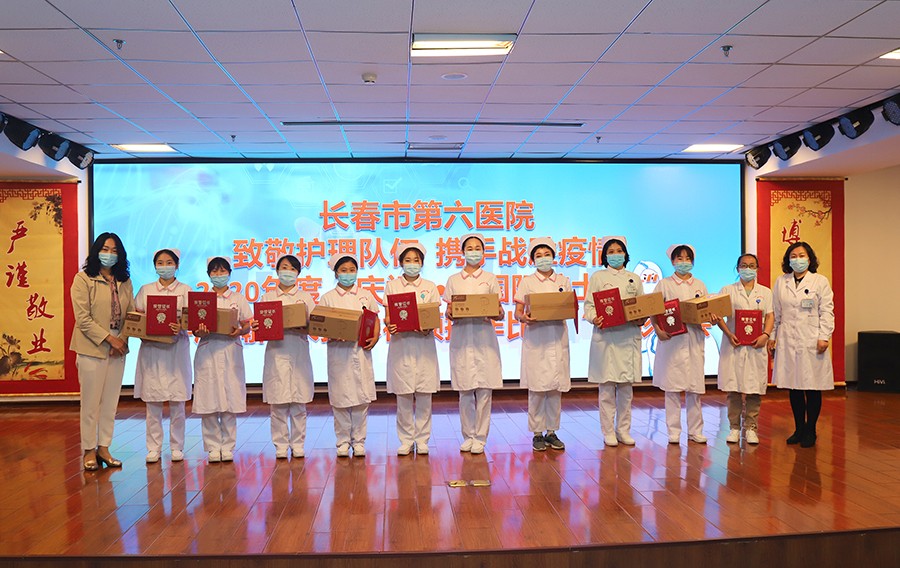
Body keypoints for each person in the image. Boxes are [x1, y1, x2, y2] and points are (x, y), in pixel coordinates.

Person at [70, 232, 134, 471]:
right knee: (90, 403)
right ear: (96, 251)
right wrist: (110, 340)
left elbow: (131, 314)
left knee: (110, 402)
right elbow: (83, 319)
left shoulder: (124, 281)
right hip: (92, 347)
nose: (109, 254)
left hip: (118, 346)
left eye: (115, 250)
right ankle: (88, 450)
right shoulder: (83, 279)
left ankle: (104, 448)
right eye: (105, 249)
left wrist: (122, 340)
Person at [768, 242, 834, 448]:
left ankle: (810, 430)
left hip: (812, 340)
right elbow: (776, 313)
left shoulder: (820, 281)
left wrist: (824, 336)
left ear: (810, 258)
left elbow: (827, 311)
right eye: (793, 256)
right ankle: (798, 429)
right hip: (788, 339)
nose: (798, 259)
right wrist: (772, 336)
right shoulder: (782, 282)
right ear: (788, 260)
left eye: (802, 255)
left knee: (812, 386)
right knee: (794, 386)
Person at [651, 244, 718, 444]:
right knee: (672, 389)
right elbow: (653, 310)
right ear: (672, 261)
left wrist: (712, 317)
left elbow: (706, 310)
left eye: (687, 258)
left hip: (694, 339)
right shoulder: (663, 284)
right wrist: (657, 330)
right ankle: (673, 431)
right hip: (672, 341)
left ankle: (695, 430)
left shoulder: (700, 285)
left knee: (694, 389)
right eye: (679, 258)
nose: (683, 262)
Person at [443, 232, 503, 455]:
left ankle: (481, 437)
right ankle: (468, 435)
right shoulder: (454, 280)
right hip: (462, 338)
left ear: (484, 252)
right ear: (462, 252)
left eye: (478, 248)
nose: (474, 252)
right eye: (470, 248)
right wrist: (450, 313)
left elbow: (499, 311)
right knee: (465, 390)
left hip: (484, 337)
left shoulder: (490, 278)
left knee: (485, 390)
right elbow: (448, 311)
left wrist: (496, 313)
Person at [584, 236, 644, 447]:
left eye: (619, 251)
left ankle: (624, 430)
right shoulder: (598, 277)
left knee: (626, 390)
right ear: (605, 256)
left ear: (625, 255)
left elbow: (642, 306)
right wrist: (594, 318)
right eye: (611, 251)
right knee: (607, 389)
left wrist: (641, 317)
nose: (616, 254)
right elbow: (589, 306)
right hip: (607, 338)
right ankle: (608, 431)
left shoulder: (634, 279)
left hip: (628, 336)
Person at [192, 256, 253, 463]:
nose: (219, 275)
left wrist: (240, 330)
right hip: (208, 350)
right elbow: (194, 329)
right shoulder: (201, 300)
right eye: (215, 271)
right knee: (208, 401)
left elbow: (247, 325)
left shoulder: (239, 298)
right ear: (209, 275)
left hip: (230, 350)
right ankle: (212, 447)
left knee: (229, 400)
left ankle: (227, 446)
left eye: (222, 271)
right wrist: (199, 331)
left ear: (229, 273)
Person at [134, 248, 192, 463]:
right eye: (160, 262)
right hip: (153, 351)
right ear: (154, 266)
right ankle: (153, 447)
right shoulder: (146, 290)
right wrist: (142, 328)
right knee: (153, 403)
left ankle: (177, 446)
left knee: (177, 403)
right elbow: (136, 317)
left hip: (176, 351)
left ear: (177, 265)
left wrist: (181, 325)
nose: (164, 266)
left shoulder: (185, 290)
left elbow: (192, 320)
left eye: (169, 262)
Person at [319, 252, 380, 458]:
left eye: (352, 270)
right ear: (336, 273)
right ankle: (343, 441)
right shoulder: (328, 297)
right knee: (340, 400)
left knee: (361, 399)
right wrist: (332, 333)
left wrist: (376, 337)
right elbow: (320, 325)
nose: (348, 274)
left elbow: (375, 318)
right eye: (343, 270)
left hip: (360, 352)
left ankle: (359, 441)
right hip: (339, 353)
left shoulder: (365, 295)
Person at [514, 237, 571, 452]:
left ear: (553, 256)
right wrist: (524, 318)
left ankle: (552, 432)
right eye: (538, 255)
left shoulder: (563, 281)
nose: (543, 258)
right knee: (537, 389)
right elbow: (518, 312)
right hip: (536, 338)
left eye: (547, 254)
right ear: (532, 260)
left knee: (555, 389)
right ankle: (537, 433)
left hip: (557, 336)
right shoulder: (527, 282)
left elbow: (570, 306)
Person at [384, 242, 440, 456]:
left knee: (425, 395)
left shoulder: (430, 286)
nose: (412, 264)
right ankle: (406, 439)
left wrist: (428, 326)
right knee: (404, 395)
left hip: (424, 345)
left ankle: (423, 439)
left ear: (422, 263)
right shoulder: (392, 286)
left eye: (416, 260)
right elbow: (388, 316)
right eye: (408, 260)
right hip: (401, 344)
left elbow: (434, 315)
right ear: (400, 263)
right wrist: (390, 324)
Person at [258, 254, 316, 459]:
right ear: (277, 271)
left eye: (292, 268)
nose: (287, 272)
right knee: (278, 403)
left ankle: (298, 444)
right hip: (276, 352)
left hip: (298, 350)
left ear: (298, 273)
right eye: (284, 267)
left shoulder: (305, 297)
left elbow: (315, 326)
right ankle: (281, 445)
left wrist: (305, 325)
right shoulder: (268, 297)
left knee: (299, 402)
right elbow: (261, 325)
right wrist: (259, 326)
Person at [716, 253, 774, 445]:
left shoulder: (765, 292)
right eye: (743, 265)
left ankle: (751, 428)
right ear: (737, 268)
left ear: (757, 269)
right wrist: (728, 334)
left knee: (753, 388)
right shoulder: (727, 290)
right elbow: (718, 316)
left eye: (751, 265)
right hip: (734, 345)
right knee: (733, 388)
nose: (747, 269)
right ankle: (734, 428)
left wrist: (765, 335)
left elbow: (770, 316)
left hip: (756, 346)